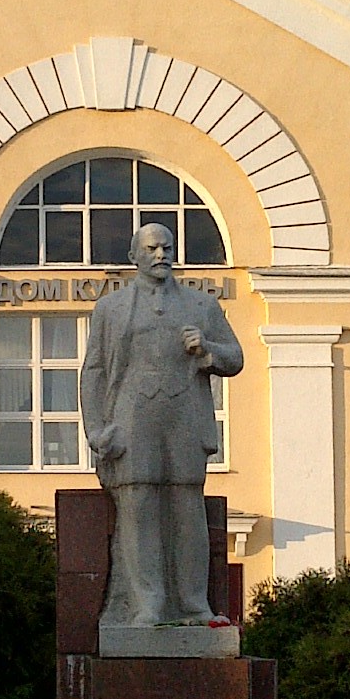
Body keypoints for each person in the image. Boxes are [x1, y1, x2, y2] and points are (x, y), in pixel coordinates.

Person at [79, 221, 243, 628]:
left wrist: (207, 350)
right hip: (132, 416)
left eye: (167, 248)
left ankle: (191, 604)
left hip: (184, 415)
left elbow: (235, 358)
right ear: (134, 256)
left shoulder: (201, 306)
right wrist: (97, 429)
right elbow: (94, 372)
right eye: (152, 248)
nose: (161, 255)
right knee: (138, 507)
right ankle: (147, 603)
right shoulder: (111, 309)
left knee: (187, 507)